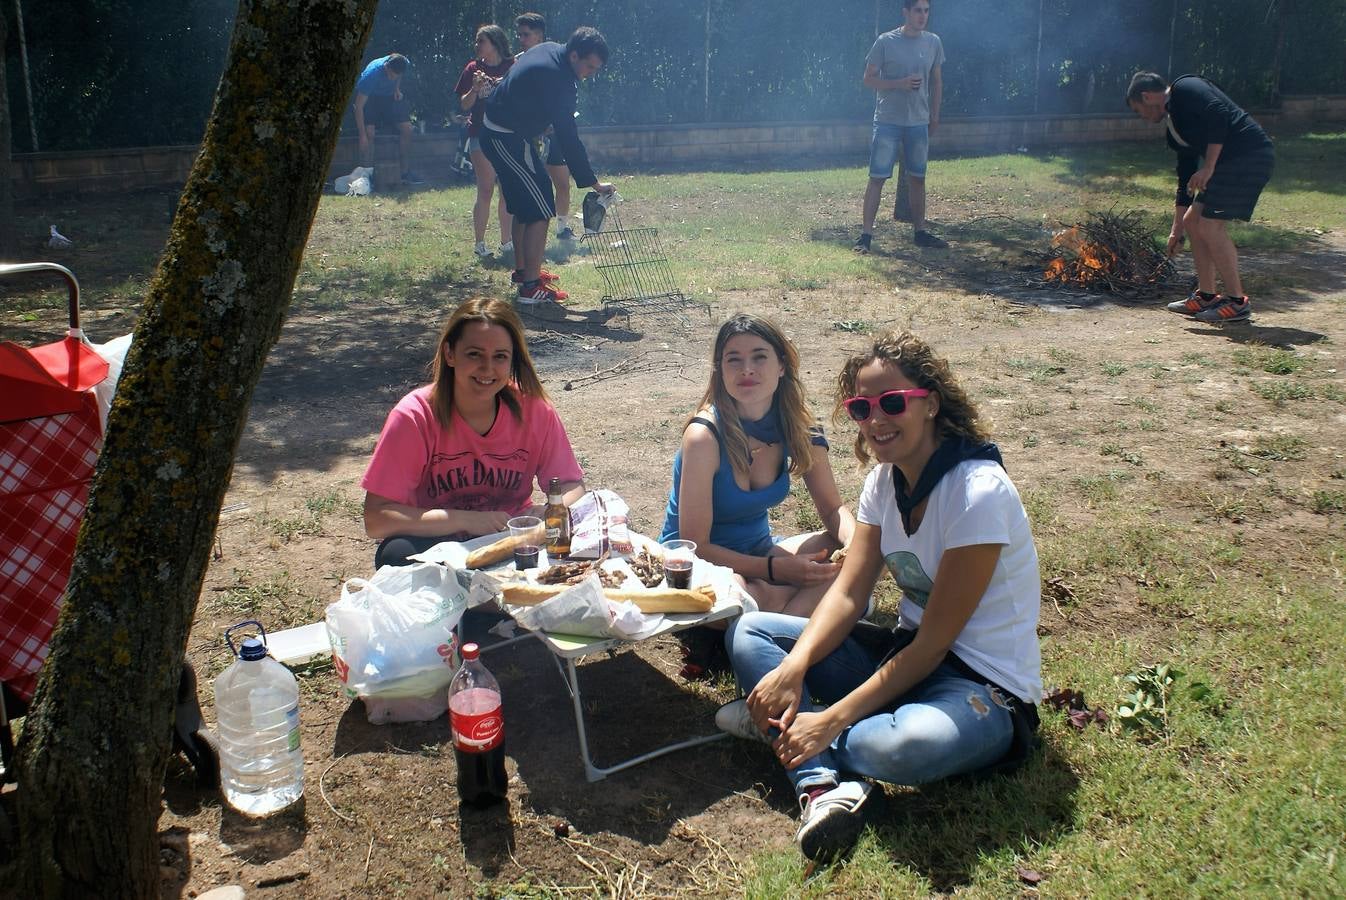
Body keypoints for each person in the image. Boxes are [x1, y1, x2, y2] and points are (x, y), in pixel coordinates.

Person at [716, 330, 1042, 862]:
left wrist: (832, 718)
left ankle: (796, 737)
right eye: (861, 407)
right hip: (905, 663)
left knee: (901, 747)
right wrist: (794, 667)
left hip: (982, 688)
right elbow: (848, 595)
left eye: (892, 403)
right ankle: (823, 782)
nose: (875, 420)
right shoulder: (884, 484)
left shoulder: (977, 491)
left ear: (931, 403)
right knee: (753, 630)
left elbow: (935, 644)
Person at [659, 315, 856, 677]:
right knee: (742, 596)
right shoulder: (704, 436)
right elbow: (694, 545)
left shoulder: (800, 426)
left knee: (844, 557)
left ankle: (755, 636)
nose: (746, 369)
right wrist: (775, 570)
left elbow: (832, 508)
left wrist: (858, 544)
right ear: (720, 369)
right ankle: (791, 628)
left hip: (759, 552)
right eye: (733, 359)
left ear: (782, 365)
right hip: (696, 565)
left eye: (760, 356)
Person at [362, 297, 585, 569]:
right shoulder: (415, 416)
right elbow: (377, 519)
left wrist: (549, 510)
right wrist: (463, 520)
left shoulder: (535, 410)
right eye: (474, 354)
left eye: (500, 357)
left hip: (510, 537)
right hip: (439, 538)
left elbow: (572, 486)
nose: (487, 369)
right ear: (450, 354)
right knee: (396, 554)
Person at [1127, 72, 1275, 324]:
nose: (1141, 116)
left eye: (1138, 109)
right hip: (1228, 163)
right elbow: (1184, 177)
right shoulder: (1175, 127)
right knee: (1192, 221)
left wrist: (1208, 167)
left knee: (1210, 224)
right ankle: (1206, 295)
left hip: (1249, 156)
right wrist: (1176, 230)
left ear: (1147, 96)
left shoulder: (1185, 87)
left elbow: (1219, 113)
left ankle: (1237, 303)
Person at [482, 27, 615, 304]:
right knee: (541, 207)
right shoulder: (559, 79)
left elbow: (523, 89)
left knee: (525, 205)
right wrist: (593, 183)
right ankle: (530, 287)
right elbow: (568, 136)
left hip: (507, 133)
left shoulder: (550, 49)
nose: (591, 72)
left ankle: (524, 272)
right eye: (589, 66)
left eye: (596, 68)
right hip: (504, 137)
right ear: (575, 55)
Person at [854, 0, 947, 253]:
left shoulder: (933, 42)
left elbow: (937, 82)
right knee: (877, 178)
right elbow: (868, 79)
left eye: (926, 11)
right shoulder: (886, 41)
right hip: (887, 122)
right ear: (906, 12)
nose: (922, 16)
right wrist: (900, 83)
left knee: (918, 178)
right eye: (918, 10)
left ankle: (920, 232)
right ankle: (865, 237)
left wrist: (935, 116)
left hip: (918, 122)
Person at [514, 12, 578, 242]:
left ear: (539, 35)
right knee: (533, 186)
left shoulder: (556, 60)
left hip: (555, 131)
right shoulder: (518, 62)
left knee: (562, 182)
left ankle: (562, 229)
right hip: (531, 134)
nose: (522, 39)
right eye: (519, 34)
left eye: (526, 34)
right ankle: (525, 237)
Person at [454, 26, 515, 260]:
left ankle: (506, 242)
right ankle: (480, 244)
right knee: (486, 188)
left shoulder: (511, 66)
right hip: (480, 133)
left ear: (495, 43)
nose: (477, 45)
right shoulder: (473, 68)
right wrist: (475, 88)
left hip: (508, 135)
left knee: (507, 190)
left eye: (481, 41)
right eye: (477, 41)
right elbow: (465, 105)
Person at [352, 53, 424, 187]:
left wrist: (396, 88)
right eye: (390, 75)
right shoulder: (371, 75)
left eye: (394, 76)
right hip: (371, 100)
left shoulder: (404, 62)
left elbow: (400, 75)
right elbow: (359, 106)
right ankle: (367, 177)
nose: (391, 78)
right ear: (386, 67)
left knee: (407, 129)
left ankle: (405, 172)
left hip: (389, 98)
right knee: (369, 133)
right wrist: (362, 135)